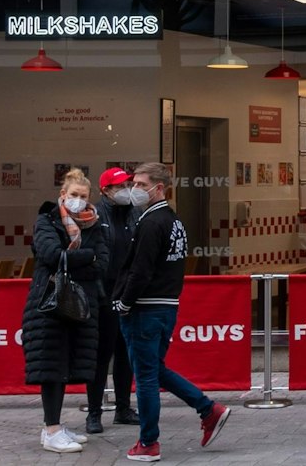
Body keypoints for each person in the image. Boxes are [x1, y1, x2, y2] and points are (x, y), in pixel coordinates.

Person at [109, 162, 230, 462]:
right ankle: (207, 409)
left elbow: (141, 270)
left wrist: (125, 302)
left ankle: (149, 442)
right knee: (155, 370)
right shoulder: (173, 221)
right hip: (164, 306)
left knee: (146, 377)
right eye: (134, 184)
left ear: (159, 188)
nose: (134, 190)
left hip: (145, 308)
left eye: (140, 184)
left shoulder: (152, 222)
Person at [23, 168, 110, 454]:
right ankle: (51, 430)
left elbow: (102, 263)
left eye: (83, 196)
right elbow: (50, 255)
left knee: (68, 366)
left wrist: (73, 258)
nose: (78, 200)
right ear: (63, 194)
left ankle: (56, 426)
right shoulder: (47, 220)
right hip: (49, 305)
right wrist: (86, 256)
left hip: (80, 306)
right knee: (51, 366)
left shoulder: (94, 224)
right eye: (74, 194)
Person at [87, 167, 140, 433]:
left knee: (125, 354)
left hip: (128, 293)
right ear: (105, 190)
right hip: (104, 294)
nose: (125, 190)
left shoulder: (135, 213)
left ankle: (123, 408)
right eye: (119, 186)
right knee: (101, 355)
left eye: (128, 185)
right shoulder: (96, 215)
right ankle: (94, 412)